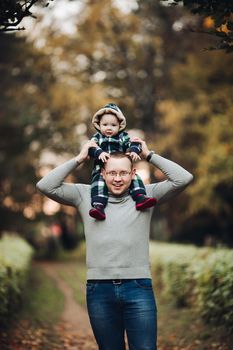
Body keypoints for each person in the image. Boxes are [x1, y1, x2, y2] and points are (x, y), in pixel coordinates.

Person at [36, 137, 193, 350]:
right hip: (99, 290)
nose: (117, 179)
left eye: (123, 173)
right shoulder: (85, 195)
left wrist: (149, 155)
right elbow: (45, 185)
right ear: (103, 173)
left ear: (132, 174)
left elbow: (183, 179)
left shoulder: (145, 196)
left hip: (138, 288)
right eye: (112, 173)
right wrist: (80, 158)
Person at [88, 102, 156, 220]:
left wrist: (134, 150)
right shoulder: (97, 138)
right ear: (98, 125)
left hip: (121, 165)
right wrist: (99, 152)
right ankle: (99, 206)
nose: (109, 128)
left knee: (135, 178)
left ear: (120, 126)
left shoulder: (123, 137)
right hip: (101, 168)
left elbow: (132, 143)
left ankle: (140, 197)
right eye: (105, 124)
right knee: (98, 183)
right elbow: (90, 149)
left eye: (113, 125)